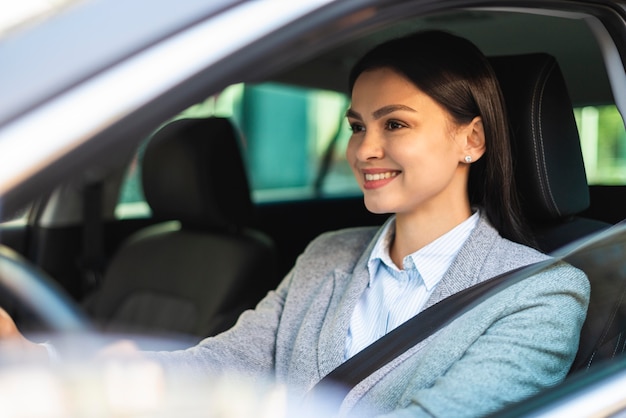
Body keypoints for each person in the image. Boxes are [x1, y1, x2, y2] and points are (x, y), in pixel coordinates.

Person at [0, 30, 589, 417]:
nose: (364, 151)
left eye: (396, 125)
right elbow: (226, 361)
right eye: (358, 126)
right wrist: (47, 363)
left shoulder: (539, 294)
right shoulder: (326, 254)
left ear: (472, 139)